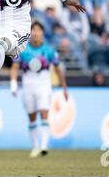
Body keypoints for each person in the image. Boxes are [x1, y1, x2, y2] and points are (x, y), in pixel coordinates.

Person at [10, 21, 68, 157]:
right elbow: (15, 67)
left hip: (43, 84)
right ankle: (35, 146)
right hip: (28, 84)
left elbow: (58, 69)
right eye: (33, 30)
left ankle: (44, 146)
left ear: (42, 33)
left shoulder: (49, 50)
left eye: (38, 30)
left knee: (44, 113)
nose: (36, 33)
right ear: (30, 33)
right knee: (31, 116)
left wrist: (64, 87)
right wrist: (13, 83)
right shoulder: (22, 49)